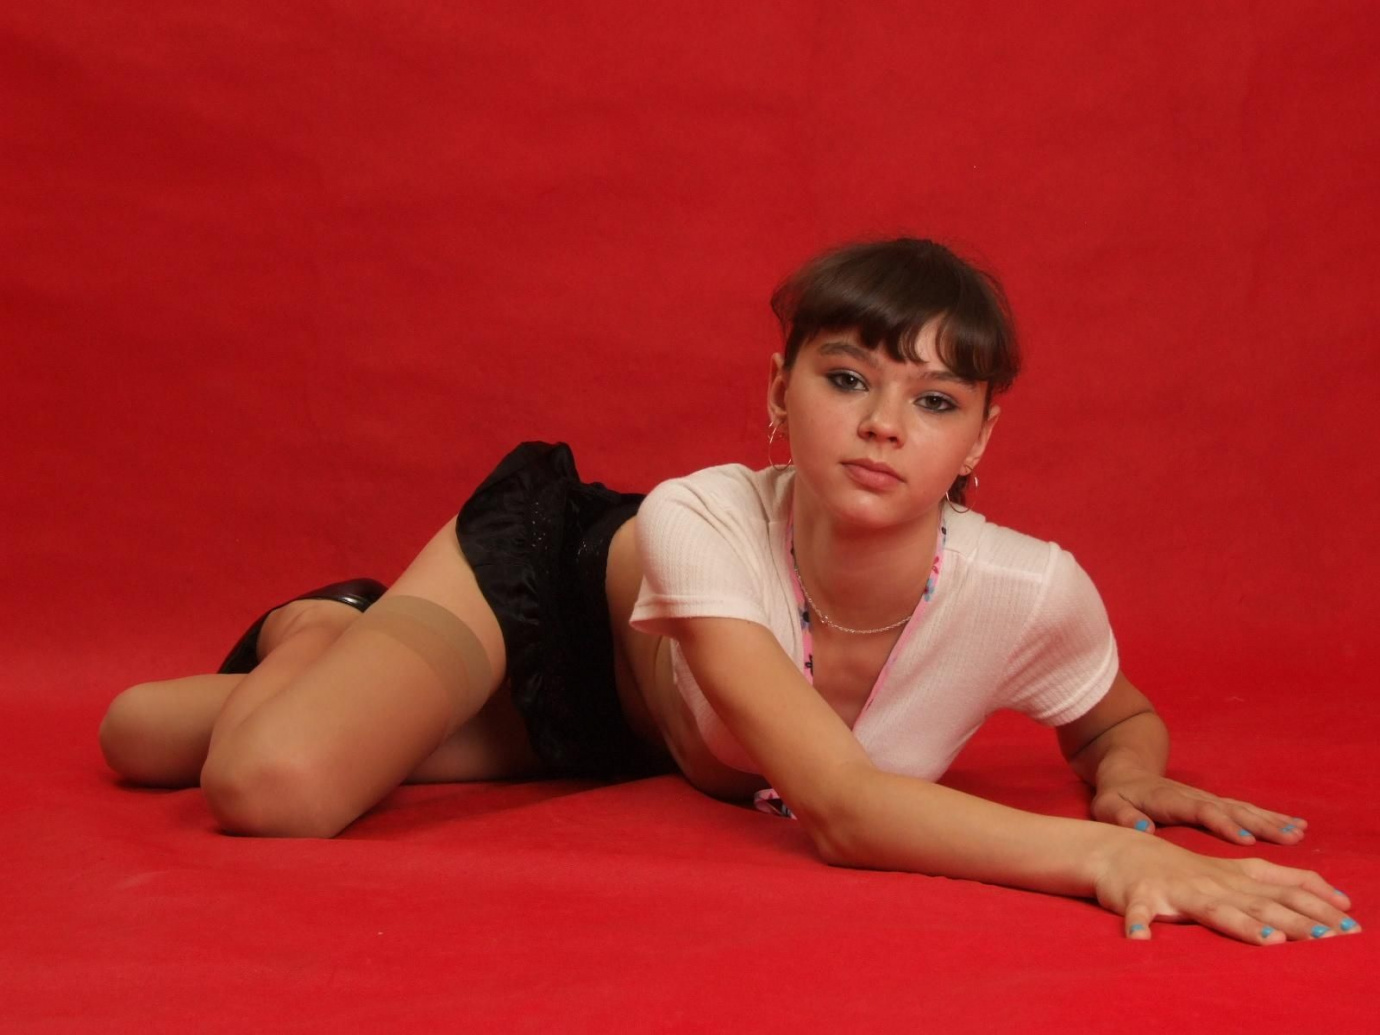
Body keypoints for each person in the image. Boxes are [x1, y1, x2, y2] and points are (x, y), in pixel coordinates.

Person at [100, 237, 1360, 946]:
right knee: (264, 782)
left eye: (932, 401)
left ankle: (342, 649)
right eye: (846, 379)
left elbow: (1115, 717)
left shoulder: (1029, 592)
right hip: (546, 598)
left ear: (980, 438)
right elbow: (845, 811)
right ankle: (328, 623)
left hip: (624, 734)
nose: (883, 425)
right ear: (777, 392)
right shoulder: (698, 515)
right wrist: (1107, 860)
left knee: (149, 733)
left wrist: (1128, 776)